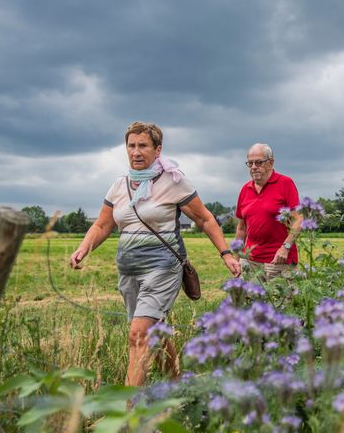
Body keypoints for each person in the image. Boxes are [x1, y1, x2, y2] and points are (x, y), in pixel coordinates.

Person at [70, 122, 241, 386]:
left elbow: (205, 219)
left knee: (138, 334)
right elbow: (103, 224)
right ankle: (178, 385)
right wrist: (84, 248)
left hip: (162, 268)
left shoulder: (174, 182)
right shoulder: (119, 185)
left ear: (157, 150)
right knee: (155, 331)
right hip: (129, 271)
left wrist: (226, 253)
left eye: (143, 146)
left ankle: (129, 414)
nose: (136, 152)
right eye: (131, 146)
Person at [234, 143, 302, 281]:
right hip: (250, 262)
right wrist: (237, 258)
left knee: (281, 302)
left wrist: (286, 247)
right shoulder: (245, 189)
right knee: (247, 302)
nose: (253, 167)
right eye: (250, 163)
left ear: (270, 162)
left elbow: (299, 220)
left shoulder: (285, 183)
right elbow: (241, 228)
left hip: (279, 261)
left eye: (258, 162)